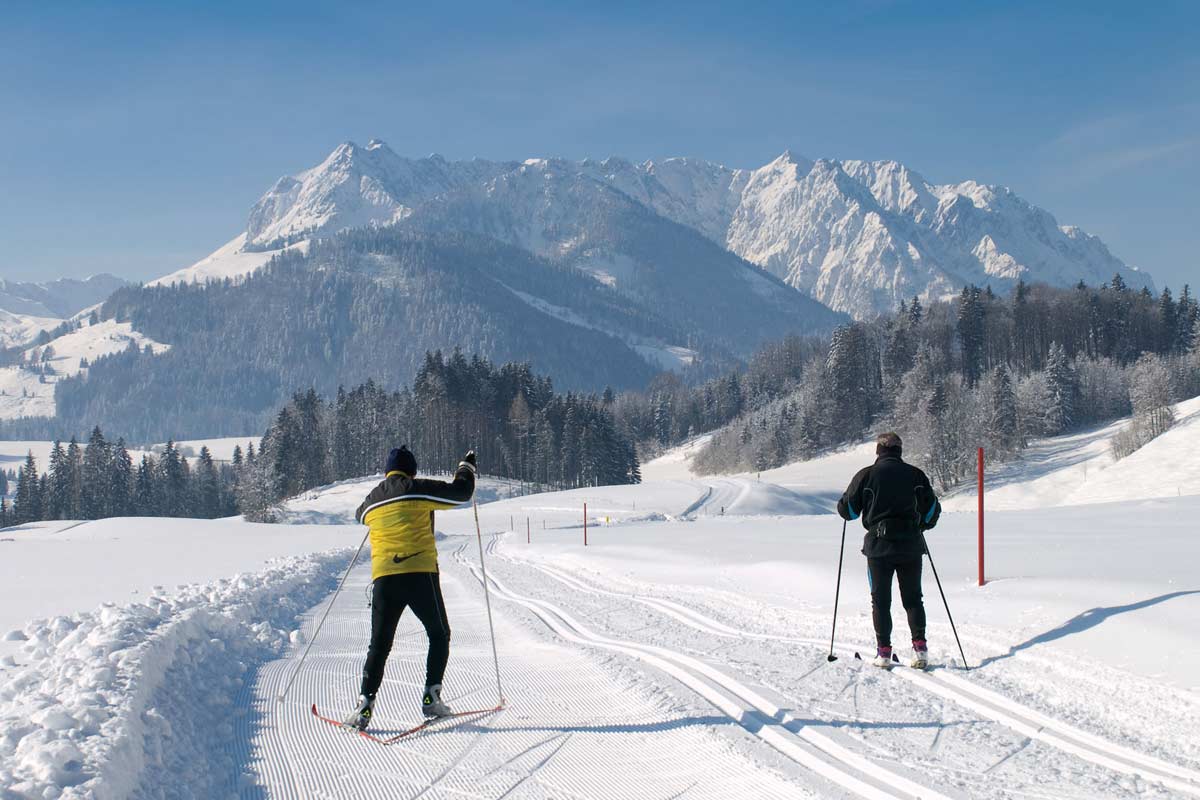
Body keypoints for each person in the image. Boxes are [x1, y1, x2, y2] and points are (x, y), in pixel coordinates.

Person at [345, 445, 477, 730]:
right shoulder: (417, 488)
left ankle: (365, 703)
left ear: (387, 471)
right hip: (420, 575)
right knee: (439, 634)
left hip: (384, 579)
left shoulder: (372, 500)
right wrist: (466, 468)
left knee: (379, 645)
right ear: (412, 470)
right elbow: (461, 493)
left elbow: (360, 515)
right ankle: (431, 696)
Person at [836, 432, 941, 669]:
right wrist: (920, 525)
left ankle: (883, 652)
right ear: (899, 451)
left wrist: (845, 502)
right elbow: (932, 511)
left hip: (878, 548)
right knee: (913, 599)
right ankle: (920, 649)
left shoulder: (866, 475)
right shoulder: (916, 475)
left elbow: (848, 511)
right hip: (911, 545)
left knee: (880, 601)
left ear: (878, 451)